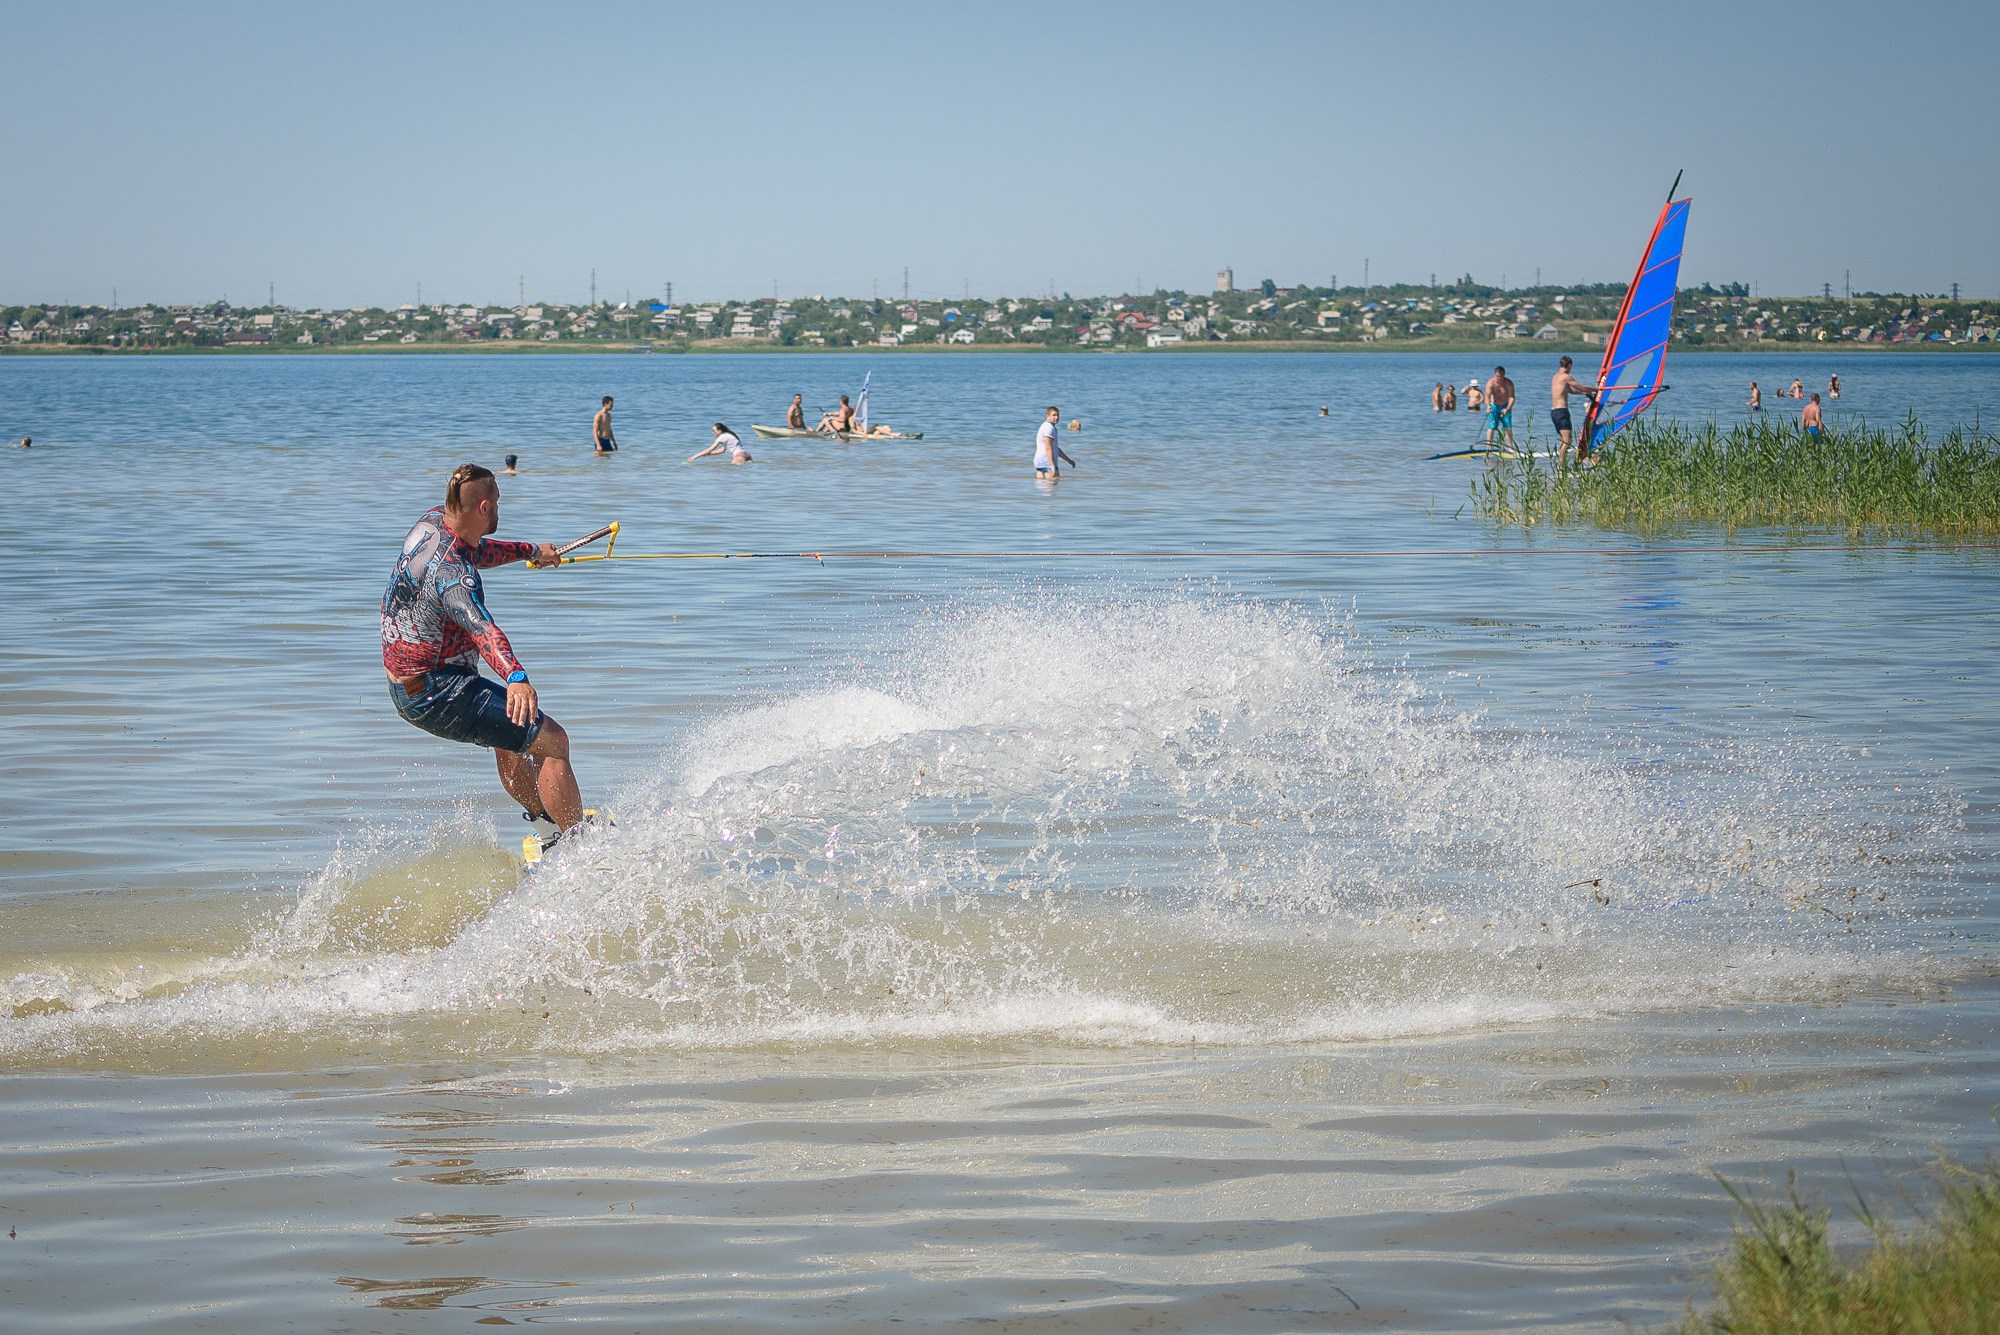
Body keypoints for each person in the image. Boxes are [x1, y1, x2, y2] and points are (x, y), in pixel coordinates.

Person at [381, 463, 586, 836]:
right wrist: (516, 676)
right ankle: (579, 845)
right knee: (554, 742)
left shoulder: (431, 523)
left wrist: (530, 551)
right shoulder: (456, 577)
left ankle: (547, 826)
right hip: (437, 691)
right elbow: (482, 628)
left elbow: (477, 549)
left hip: (406, 686)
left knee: (509, 736)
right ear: (485, 508)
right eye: (498, 502)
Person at [1549, 355, 1600, 466]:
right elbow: (1580, 387)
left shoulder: (1556, 377)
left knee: (1566, 439)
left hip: (1554, 412)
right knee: (1567, 440)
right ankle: (1561, 466)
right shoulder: (1566, 377)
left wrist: (1585, 393)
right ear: (1570, 365)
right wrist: (1596, 389)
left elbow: (1571, 390)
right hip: (1561, 411)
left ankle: (1562, 464)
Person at [1035, 405, 1077, 478]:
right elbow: (1048, 448)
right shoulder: (1049, 428)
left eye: (1057, 415)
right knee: (1053, 487)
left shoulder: (1046, 426)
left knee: (1042, 487)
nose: (1056, 417)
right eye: (1054, 415)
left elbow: (1055, 448)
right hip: (1047, 462)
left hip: (1040, 463)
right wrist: (1052, 465)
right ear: (1047, 416)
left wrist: (1068, 460)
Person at [1483, 366, 1516, 450]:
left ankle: (1510, 448)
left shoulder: (1509, 383)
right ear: (1495, 374)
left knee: (1507, 427)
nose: (1500, 378)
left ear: (1504, 374)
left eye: (1501, 376)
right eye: (1498, 376)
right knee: (1492, 427)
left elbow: (1512, 397)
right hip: (1494, 406)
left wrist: (1507, 409)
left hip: (1505, 406)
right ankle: (1489, 448)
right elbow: (1487, 397)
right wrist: (1488, 406)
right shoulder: (1490, 383)